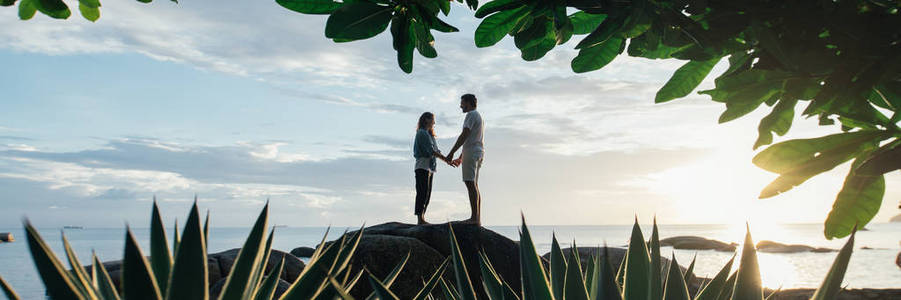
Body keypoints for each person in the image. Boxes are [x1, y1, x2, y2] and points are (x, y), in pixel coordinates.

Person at [445, 94, 484, 225]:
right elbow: (471, 138)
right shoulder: (478, 116)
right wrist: (461, 157)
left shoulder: (471, 115)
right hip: (476, 152)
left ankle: (474, 218)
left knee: (470, 184)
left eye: (462, 103)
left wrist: (451, 152)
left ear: (468, 102)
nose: (461, 106)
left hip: (472, 152)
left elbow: (465, 134)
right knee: (474, 185)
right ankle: (477, 218)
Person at [413, 112, 451, 225]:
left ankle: (422, 217)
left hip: (430, 168)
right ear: (426, 120)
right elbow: (431, 151)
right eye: (432, 120)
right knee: (422, 193)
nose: (434, 122)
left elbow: (436, 151)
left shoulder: (430, 135)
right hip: (422, 166)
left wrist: (447, 160)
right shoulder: (422, 133)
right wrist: (447, 159)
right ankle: (420, 219)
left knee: (427, 194)